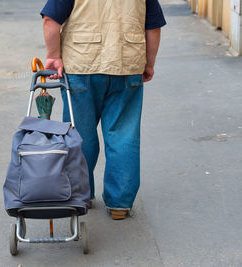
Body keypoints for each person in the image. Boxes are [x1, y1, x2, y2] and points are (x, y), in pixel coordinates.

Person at [41, 0, 166, 219]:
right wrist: (149, 63)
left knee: (79, 134)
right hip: (127, 64)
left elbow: (50, 19)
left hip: (81, 65)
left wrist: (54, 56)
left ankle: (81, 195)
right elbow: (153, 26)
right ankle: (120, 204)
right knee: (123, 135)